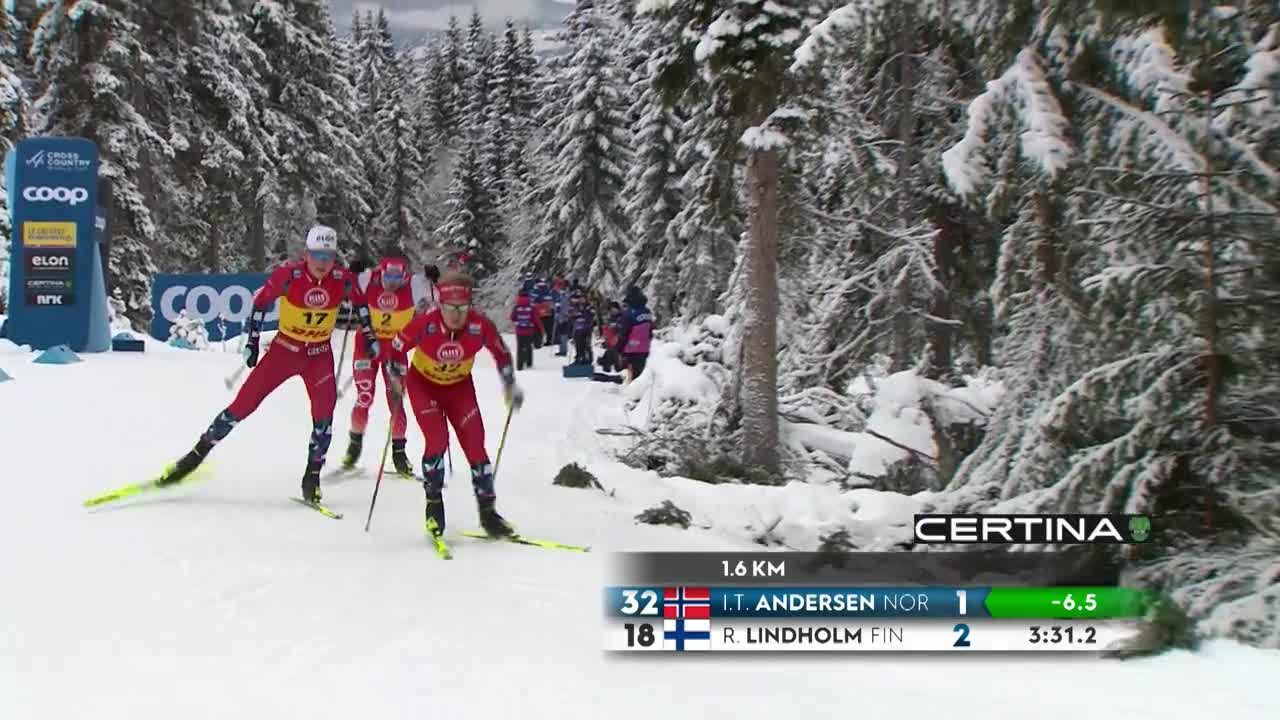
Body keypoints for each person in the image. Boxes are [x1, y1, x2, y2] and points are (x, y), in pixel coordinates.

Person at [157, 225, 379, 503]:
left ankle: (312, 477)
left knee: (324, 417)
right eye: (317, 255)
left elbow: (361, 306)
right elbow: (260, 303)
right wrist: (251, 343)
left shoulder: (342, 279)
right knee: (242, 406)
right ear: (306, 254)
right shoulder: (290, 276)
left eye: (328, 256)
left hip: (319, 356)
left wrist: (369, 335)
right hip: (285, 351)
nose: (322, 263)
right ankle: (194, 457)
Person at [386, 272, 525, 538]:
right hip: (424, 386)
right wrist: (396, 376)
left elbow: (501, 352)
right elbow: (395, 349)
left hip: (460, 388)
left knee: (476, 445)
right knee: (437, 440)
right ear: (440, 305)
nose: (456, 315)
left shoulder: (479, 325)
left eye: (463, 308)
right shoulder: (424, 325)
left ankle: (488, 514)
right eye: (450, 308)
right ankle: (434, 507)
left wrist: (509, 383)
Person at [341, 256, 434, 475]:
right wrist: (351, 274)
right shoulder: (367, 279)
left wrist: (433, 280)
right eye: (388, 277)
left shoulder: (414, 284)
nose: (392, 283)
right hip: (367, 346)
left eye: (398, 278)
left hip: (396, 349)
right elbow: (341, 284)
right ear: (380, 273)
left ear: (405, 276)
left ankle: (399, 454)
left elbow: (441, 298)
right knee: (365, 396)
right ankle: (354, 447)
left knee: (396, 400)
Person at [615, 286, 654, 383]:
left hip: (630, 349)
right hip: (644, 348)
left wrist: (618, 348)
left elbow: (624, 333)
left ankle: (631, 394)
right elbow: (650, 331)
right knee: (641, 375)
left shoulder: (628, 314)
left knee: (630, 377)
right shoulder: (647, 312)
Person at [511, 289, 543, 370]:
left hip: (519, 331)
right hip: (529, 331)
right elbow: (536, 319)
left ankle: (520, 365)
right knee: (529, 346)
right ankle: (529, 363)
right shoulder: (531, 307)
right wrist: (540, 329)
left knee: (520, 347)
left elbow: (512, 318)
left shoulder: (516, 307)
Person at [570, 292, 595, 366]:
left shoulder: (589, 307)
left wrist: (582, 316)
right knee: (578, 345)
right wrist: (574, 317)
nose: (581, 300)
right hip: (578, 329)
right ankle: (579, 358)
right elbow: (572, 315)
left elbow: (591, 316)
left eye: (583, 298)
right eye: (580, 299)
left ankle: (588, 359)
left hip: (586, 329)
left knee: (586, 345)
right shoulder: (576, 307)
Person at [599, 301, 622, 373]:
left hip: (619, 344)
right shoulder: (609, 319)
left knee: (617, 359)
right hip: (610, 343)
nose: (613, 311)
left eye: (614, 309)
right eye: (611, 310)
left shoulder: (621, 318)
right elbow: (606, 332)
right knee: (608, 357)